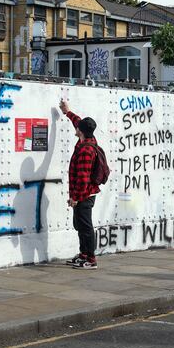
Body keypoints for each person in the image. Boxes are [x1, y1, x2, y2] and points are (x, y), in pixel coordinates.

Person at [59, 99, 100, 269]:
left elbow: (83, 178)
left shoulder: (86, 150)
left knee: (85, 227)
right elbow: (79, 122)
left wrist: (75, 198)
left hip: (85, 195)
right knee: (80, 225)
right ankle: (83, 254)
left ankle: (91, 259)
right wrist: (67, 112)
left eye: (78, 127)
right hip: (84, 194)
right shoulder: (88, 139)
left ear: (80, 132)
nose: (75, 127)